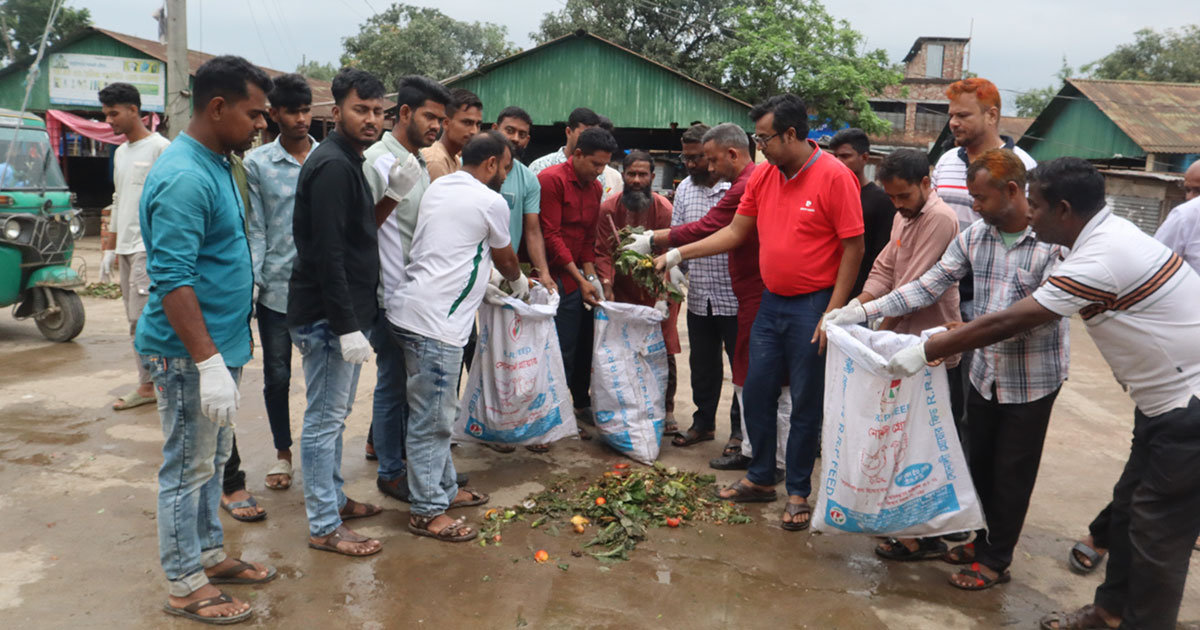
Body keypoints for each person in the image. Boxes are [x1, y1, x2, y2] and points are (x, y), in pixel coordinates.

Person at [884, 157, 1200, 630]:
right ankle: (1108, 612)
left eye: (1035, 206)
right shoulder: (1095, 239)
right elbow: (938, 286)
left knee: (1157, 537)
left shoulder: (1099, 257)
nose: (1028, 214)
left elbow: (1016, 318)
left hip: (1188, 408)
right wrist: (866, 311)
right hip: (1161, 405)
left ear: (1064, 210)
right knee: (1130, 512)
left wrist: (932, 345)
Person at [826, 149, 1069, 589]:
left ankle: (996, 560)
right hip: (984, 371)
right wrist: (859, 311)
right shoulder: (976, 237)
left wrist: (957, 335)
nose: (972, 206)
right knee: (977, 461)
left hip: (1031, 378)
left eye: (980, 198)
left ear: (1012, 191)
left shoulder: (1053, 244)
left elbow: (1037, 315)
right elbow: (925, 286)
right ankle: (979, 540)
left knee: (1012, 472)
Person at [656, 95, 865, 531]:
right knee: (755, 390)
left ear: (792, 134)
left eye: (765, 138)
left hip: (812, 305)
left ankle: (799, 492)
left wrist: (834, 312)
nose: (760, 146)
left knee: (806, 402)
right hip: (771, 302)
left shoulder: (834, 177)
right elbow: (735, 231)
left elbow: (853, 247)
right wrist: (676, 253)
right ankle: (760, 478)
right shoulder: (765, 177)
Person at [136, 55, 276, 624]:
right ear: (217, 107)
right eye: (255, 113)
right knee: (187, 467)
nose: (262, 124)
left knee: (212, 461)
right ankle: (183, 581)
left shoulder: (219, 161)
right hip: (190, 352)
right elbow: (173, 279)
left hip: (218, 346)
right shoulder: (185, 175)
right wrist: (208, 361)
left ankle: (210, 555)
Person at [388, 130, 527, 542]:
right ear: (490, 165)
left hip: (409, 311)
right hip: (437, 325)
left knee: (433, 414)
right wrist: (517, 282)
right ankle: (426, 511)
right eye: (504, 166)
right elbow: (505, 255)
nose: (504, 174)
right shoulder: (491, 200)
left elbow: (459, 247)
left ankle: (444, 490)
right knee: (432, 420)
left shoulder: (440, 186)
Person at [633, 122, 789, 476]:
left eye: (712, 160)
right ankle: (750, 448)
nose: (708, 167)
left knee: (750, 375)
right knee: (720, 369)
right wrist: (674, 262)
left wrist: (659, 243)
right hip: (709, 292)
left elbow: (714, 228)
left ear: (732, 154)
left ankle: (756, 454)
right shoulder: (706, 186)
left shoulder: (748, 183)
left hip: (743, 294)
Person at [1068, 158, 1200, 573]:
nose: (1190, 196)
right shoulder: (1186, 218)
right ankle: (1104, 541)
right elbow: (1150, 272)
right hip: (1172, 369)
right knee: (1151, 481)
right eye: (1189, 188)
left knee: (1161, 491)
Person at [288, 67, 388, 557]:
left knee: (335, 415)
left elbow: (354, 241)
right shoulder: (331, 166)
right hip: (329, 318)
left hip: (344, 314)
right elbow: (326, 252)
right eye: (360, 110)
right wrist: (347, 326)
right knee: (324, 421)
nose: (370, 119)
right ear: (336, 112)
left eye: (377, 111)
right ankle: (324, 523)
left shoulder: (350, 161)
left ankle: (334, 499)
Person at [361, 75, 452, 502]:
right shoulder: (379, 161)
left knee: (408, 388)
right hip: (387, 294)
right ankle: (391, 469)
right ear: (404, 113)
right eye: (429, 116)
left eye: (441, 119)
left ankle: (410, 463)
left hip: (413, 294)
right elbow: (362, 229)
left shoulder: (418, 163)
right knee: (393, 384)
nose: (435, 125)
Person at [245, 73, 316, 492]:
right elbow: (256, 229)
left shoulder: (328, 159)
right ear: (274, 114)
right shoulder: (258, 165)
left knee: (325, 379)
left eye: (307, 110)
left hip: (320, 290)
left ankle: (319, 454)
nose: (302, 118)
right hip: (275, 290)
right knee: (277, 376)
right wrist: (251, 285)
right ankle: (283, 454)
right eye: (293, 111)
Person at [480, 106, 558, 454]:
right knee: (469, 351)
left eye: (522, 133)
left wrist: (543, 271)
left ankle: (508, 423)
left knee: (506, 353)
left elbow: (532, 230)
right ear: (495, 128)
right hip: (471, 273)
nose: (514, 138)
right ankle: (470, 425)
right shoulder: (478, 167)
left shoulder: (527, 178)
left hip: (505, 276)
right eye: (509, 130)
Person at [536, 126, 618, 451]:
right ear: (578, 154)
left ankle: (565, 412)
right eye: (596, 164)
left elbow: (586, 239)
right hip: (549, 278)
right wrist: (581, 279)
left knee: (576, 350)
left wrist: (592, 278)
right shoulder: (551, 180)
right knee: (553, 352)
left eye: (604, 166)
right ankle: (545, 419)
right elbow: (551, 236)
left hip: (574, 280)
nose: (600, 172)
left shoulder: (595, 188)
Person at [665, 124, 742, 453]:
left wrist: (669, 250)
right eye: (688, 157)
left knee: (742, 368)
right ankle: (703, 423)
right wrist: (675, 270)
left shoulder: (738, 189)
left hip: (736, 298)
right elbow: (679, 232)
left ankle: (739, 432)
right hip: (700, 296)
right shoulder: (684, 190)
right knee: (703, 365)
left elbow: (707, 231)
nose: (694, 164)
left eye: (700, 158)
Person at [593, 150, 681, 430]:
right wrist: (606, 285)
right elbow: (602, 252)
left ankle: (667, 410)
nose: (636, 180)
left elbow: (669, 254)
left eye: (643, 174)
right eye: (631, 174)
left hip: (659, 290)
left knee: (664, 348)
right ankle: (627, 406)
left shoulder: (664, 208)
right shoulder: (609, 208)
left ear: (652, 178)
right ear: (623, 175)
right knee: (622, 349)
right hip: (622, 291)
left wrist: (663, 295)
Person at [98, 82, 171, 411]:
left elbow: (170, 203)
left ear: (133, 110)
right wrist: (109, 249)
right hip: (126, 247)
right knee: (134, 320)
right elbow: (118, 200)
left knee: (146, 319)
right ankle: (151, 381)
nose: (109, 121)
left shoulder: (161, 148)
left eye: (114, 113)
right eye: (106, 115)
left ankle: (152, 385)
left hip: (148, 247)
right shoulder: (121, 153)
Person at [851, 149, 961, 336]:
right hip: (898, 331)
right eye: (891, 197)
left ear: (925, 183)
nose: (897, 204)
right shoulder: (902, 216)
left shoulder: (940, 217)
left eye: (904, 196)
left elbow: (912, 287)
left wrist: (877, 337)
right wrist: (854, 307)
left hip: (931, 335)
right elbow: (884, 270)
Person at [828, 128, 895, 298]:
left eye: (845, 156)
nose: (838, 162)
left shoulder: (882, 201)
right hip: (824, 288)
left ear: (864, 158)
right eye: (834, 156)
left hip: (860, 293)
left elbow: (882, 254)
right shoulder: (826, 195)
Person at [420, 87, 481, 182]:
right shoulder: (436, 161)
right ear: (446, 123)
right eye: (467, 123)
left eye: (478, 124)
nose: (474, 131)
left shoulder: (455, 159)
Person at [528, 107, 602, 175]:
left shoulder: (597, 173)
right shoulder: (541, 166)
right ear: (568, 132)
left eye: (594, 136)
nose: (589, 140)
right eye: (584, 135)